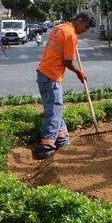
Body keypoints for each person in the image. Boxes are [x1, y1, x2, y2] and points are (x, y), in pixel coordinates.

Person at [34, 12, 96, 160]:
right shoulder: (71, 34)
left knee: (55, 108)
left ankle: (62, 139)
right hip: (51, 75)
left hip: (43, 73)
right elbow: (68, 61)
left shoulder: (59, 28)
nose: (85, 31)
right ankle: (47, 145)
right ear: (79, 21)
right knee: (54, 110)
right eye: (85, 27)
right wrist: (79, 72)